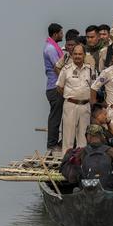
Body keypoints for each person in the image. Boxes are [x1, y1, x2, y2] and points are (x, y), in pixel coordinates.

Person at [57, 44, 94, 153]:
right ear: (72, 55)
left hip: (85, 106)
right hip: (70, 105)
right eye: (75, 54)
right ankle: (66, 164)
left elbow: (93, 87)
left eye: (80, 54)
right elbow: (59, 87)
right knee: (68, 137)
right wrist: (71, 95)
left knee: (83, 138)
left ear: (84, 55)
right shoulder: (66, 69)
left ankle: (81, 164)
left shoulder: (90, 70)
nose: (77, 56)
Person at [43, 23, 65, 154]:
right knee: (55, 118)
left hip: (55, 87)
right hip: (54, 87)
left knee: (58, 116)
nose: (62, 35)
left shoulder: (52, 46)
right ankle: (52, 144)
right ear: (55, 34)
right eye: (61, 33)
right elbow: (58, 67)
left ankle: (56, 143)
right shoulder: (51, 48)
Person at [78, 124, 113, 190]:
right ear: (101, 136)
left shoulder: (83, 151)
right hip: (107, 191)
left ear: (88, 136)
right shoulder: (110, 151)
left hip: (88, 191)